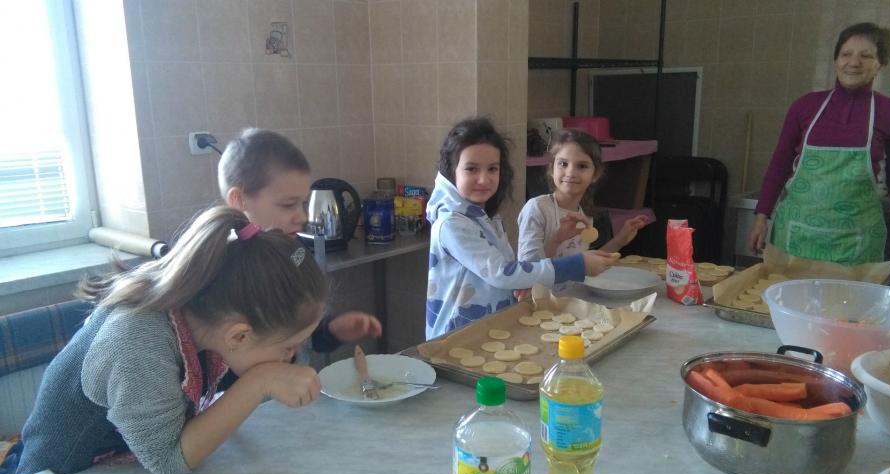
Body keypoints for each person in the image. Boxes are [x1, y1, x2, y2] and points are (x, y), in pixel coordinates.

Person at [18, 207, 328, 474]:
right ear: (239, 336)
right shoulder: (138, 346)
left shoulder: (204, 306)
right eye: (288, 348)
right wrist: (260, 381)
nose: (293, 356)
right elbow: (169, 461)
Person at [425, 118, 619, 339]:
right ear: (452, 171)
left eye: (492, 169)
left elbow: (508, 271)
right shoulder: (452, 224)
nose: (484, 179)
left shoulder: (486, 217)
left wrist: (524, 281)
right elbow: (501, 273)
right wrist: (577, 265)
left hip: (487, 328)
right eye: (471, 169)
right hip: (455, 335)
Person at [217, 128, 380, 355]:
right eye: (287, 205)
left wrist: (332, 330)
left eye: (302, 204)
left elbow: (300, 330)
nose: (302, 217)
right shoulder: (223, 270)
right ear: (239, 199)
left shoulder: (295, 253)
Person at [749, 22, 890, 265]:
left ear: (880, 63)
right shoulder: (804, 106)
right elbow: (779, 165)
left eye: (866, 56)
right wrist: (761, 216)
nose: (854, 62)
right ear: (836, 60)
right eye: (846, 54)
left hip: (857, 242)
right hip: (796, 234)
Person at [517, 128, 648, 262]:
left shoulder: (585, 217)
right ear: (551, 169)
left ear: (595, 174)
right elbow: (527, 269)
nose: (571, 172)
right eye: (563, 163)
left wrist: (620, 240)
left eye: (582, 166)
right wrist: (556, 240)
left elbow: (584, 264)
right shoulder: (537, 209)